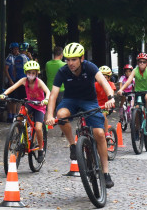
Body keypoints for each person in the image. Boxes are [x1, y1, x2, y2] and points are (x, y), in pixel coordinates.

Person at [45, 43, 116, 189]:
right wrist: (49, 115)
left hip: (89, 101)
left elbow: (103, 82)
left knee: (100, 134)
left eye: (74, 59)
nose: (70, 63)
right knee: (61, 115)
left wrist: (110, 97)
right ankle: (72, 145)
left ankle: (106, 172)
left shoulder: (90, 67)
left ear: (82, 58)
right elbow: (53, 95)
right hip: (70, 101)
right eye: (68, 59)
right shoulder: (63, 71)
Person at [0, 61, 50, 152]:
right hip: (30, 103)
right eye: (29, 73)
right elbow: (12, 87)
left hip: (39, 106)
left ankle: (41, 149)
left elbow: (48, 91)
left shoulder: (39, 82)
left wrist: (45, 100)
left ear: (36, 73)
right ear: (26, 73)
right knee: (19, 117)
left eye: (33, 73)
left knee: (38, 128)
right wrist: (4, 94)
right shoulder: (23, 80)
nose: (31, 75)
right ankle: (19, 134)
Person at [118, 52, 147, 128]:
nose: (141, 63)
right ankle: (137, 130)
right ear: (137, 62)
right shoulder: (135, 70)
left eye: (144, 62)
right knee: (136, 109)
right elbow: (128, 81)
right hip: (138, 92)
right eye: (140, 61)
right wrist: (121, 89)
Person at [5, 42, 29, 122]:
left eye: (17, 49)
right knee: (14, 99)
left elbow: (14, 70)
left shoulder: (16, 57)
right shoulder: (11, 57)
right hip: (15, 81)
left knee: (16, 99)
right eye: (14, 49)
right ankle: (14, 115)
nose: (16, 50)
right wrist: (10, 79)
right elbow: (6, 69)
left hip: (16, 80)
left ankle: (14, 115)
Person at [44, 46, 66, 116]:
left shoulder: (47, 64)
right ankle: (61, 123)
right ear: (61, 54)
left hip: (50, 88)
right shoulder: (64, 65)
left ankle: (50, 125)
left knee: (50, 108)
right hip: (61, 89)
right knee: (61, 108)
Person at [95, 66, 117, 135]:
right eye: (101, 77)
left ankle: (106, 133)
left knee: (103, 114)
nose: (103, 79)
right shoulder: (95, 85)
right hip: (96, 106)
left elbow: (112, 92)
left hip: (106, 106)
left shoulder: (111, 84)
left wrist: (110, 101)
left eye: (105, 77)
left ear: (109, 78)